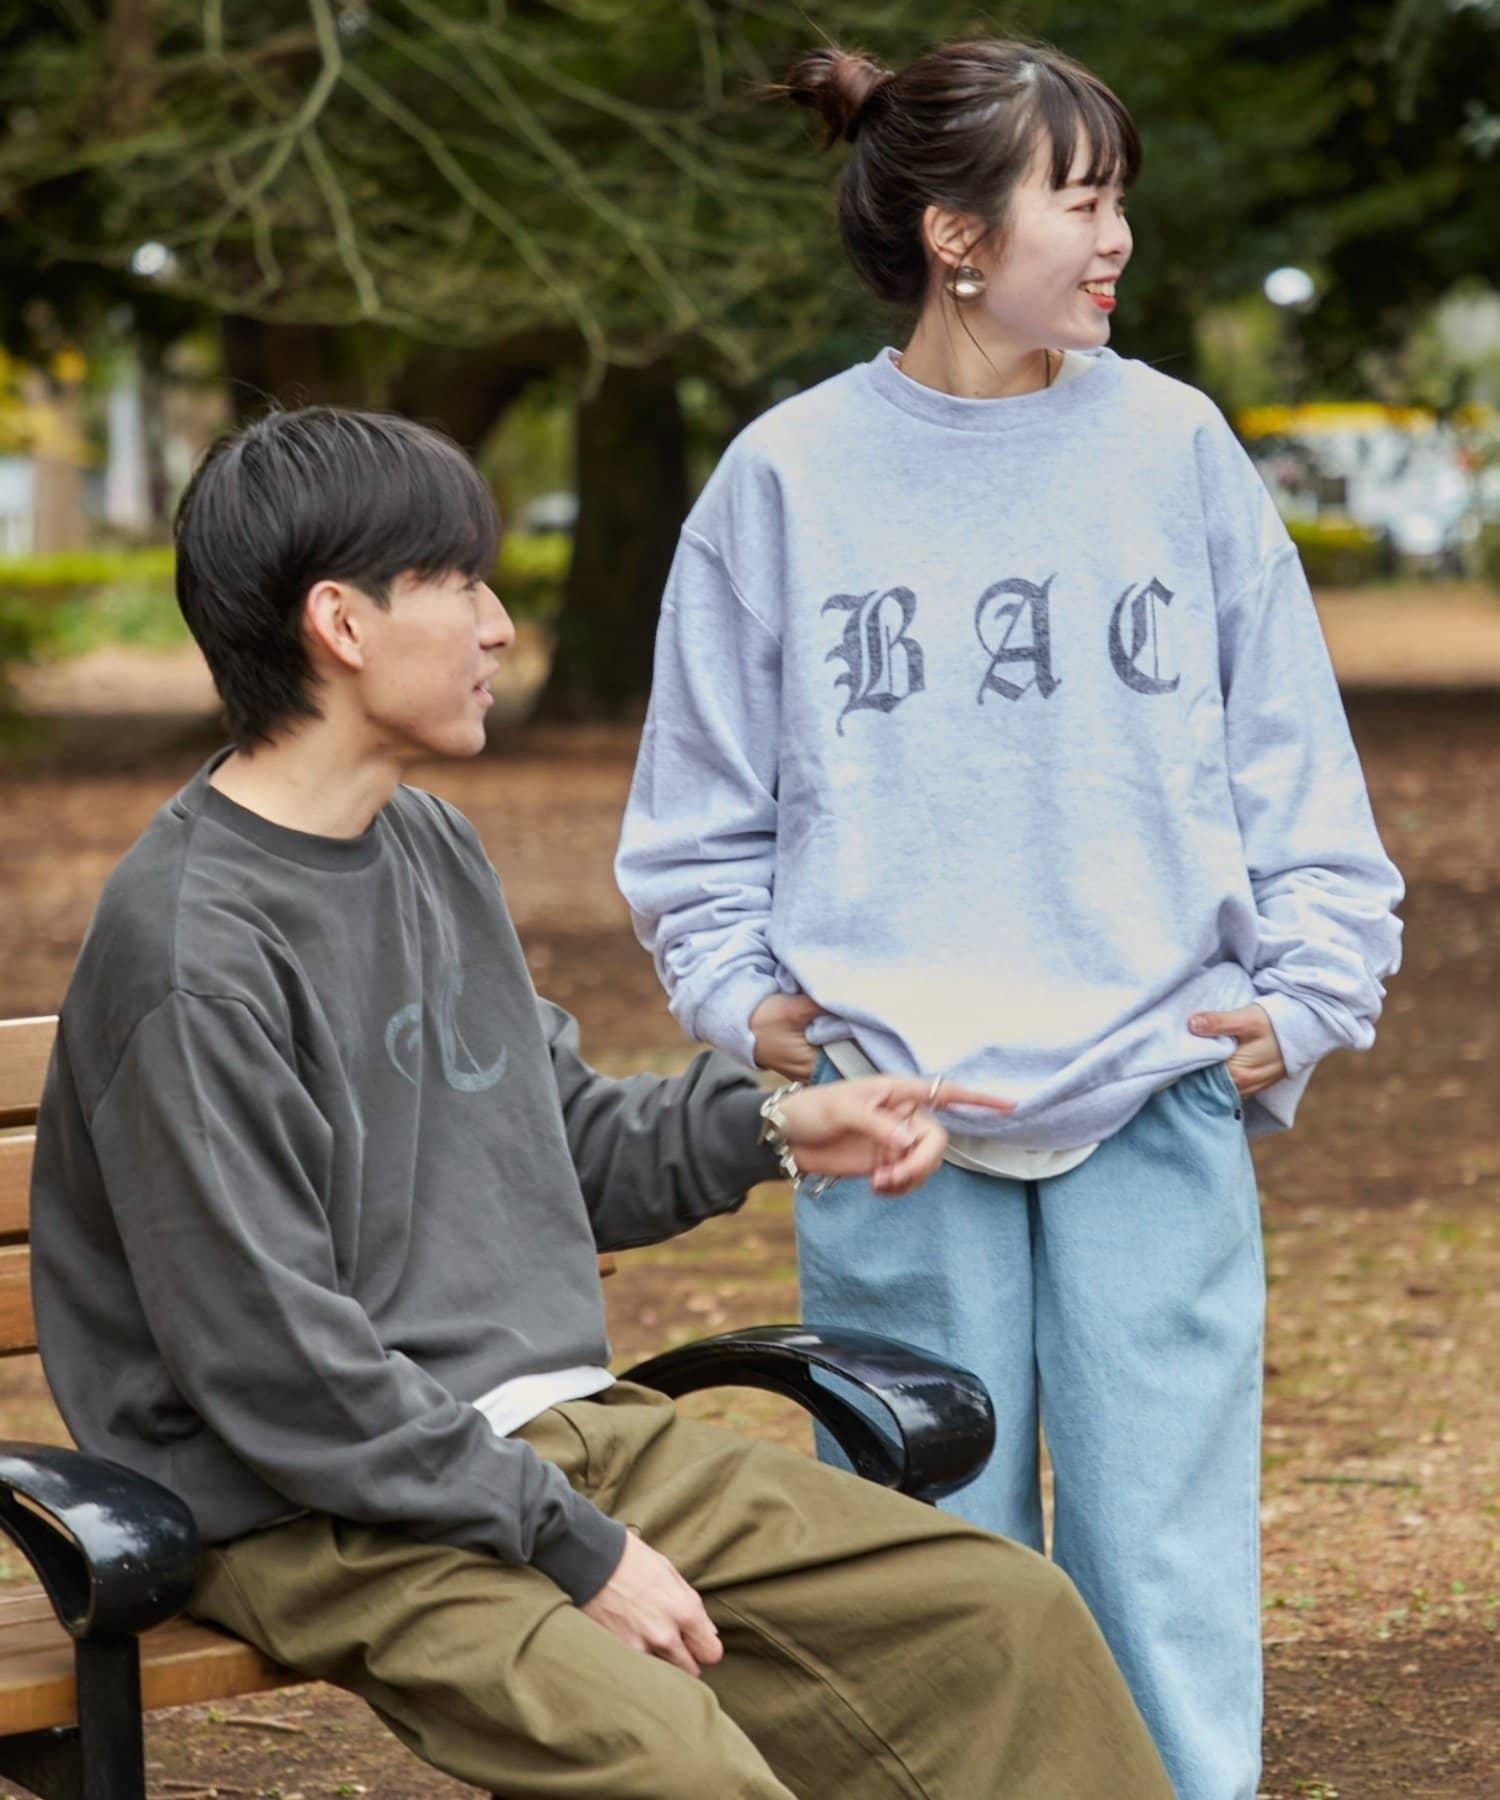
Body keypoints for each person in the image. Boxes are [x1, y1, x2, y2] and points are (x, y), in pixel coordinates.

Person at [30, 406, 1174, 1800]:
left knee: (1002, 1623)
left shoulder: (423, 844)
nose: (499, 626)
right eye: (460, 583)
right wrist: (579, 1551)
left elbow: (553, 1141)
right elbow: (279, 1370)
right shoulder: (192, 950)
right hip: (317, 1509)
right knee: (673, 1766)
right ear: (341, 623)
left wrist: (771, 1126)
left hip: (556, 1440)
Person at [615, 37, 1405, 1800]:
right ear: (957, 236)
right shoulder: (786, 477)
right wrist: (746, 1000)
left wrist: (1310, 992)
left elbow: (1293, 761)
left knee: (1164, 1570)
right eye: (1083, 200)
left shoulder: (1176, 446)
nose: (1119, 238)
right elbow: (696, 812)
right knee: (930, 1572)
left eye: (1121, 199)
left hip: (1156, 1085)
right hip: (901, 1121)